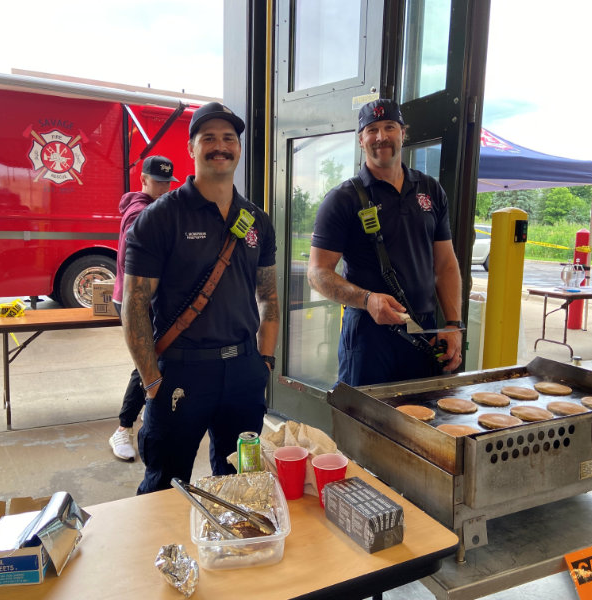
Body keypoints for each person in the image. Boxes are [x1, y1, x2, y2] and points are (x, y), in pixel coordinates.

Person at [122, 102, 279, 494]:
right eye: (208, 138)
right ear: (191, 148)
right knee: (163, 487)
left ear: (238, 149)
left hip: (243, 370)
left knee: (240, 484)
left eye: (228, 138)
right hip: (180, 372)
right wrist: (151, 381)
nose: (220, 146)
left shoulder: (257, 220)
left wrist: (264, 361)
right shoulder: (161, 217)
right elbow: (135, 305)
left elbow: (268, 295)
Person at [308, 98, 463, 386]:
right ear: (361, 140)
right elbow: (317, 273)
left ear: (403, 133)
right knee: (362, 414)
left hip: (424, 331)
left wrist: (454, 325)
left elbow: (445, 265)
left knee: (423, 413)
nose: (381, 137)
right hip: (368, 335)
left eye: (390, 127)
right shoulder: (342, 199)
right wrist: (367, 300)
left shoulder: (431, 190)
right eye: (372, 130)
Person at [108, 155, 178, 461]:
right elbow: (132, 263)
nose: (163, 188)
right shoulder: (139, 214)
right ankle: (123, 428)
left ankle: (147, 412)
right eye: (157, 182)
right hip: (135, 301)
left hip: (151, 300)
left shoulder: (157, 209)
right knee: (146, 360)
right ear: (144, 180)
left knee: (155, 359)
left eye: (167, 183)